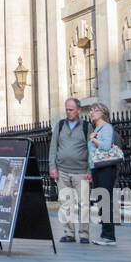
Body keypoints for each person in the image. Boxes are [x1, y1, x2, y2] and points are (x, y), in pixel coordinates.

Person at [48, 97, 91, 244]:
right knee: (65, 203)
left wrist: (89, 171)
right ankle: (69, 233)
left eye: (71, 110)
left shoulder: (86, 126)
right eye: (66, 109)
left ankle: (84, 234)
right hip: (63, 171)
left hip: (81, 172)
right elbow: (53, 147)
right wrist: (52, 167)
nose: (68, 112)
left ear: (78, 110)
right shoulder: (60, 125)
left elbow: (91, 150)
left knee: (83, 204)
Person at [87, 102, 119, 246]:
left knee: (105, 200)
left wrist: (93, 138)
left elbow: (106, 146)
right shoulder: (97, 128)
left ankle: (109, 235)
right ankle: (105, 234)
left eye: (95, 110)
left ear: (103, 113)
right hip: (96, 167)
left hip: (105, 167)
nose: (92, 112)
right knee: (101, 200)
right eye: (91, 110)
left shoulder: (106, 128)